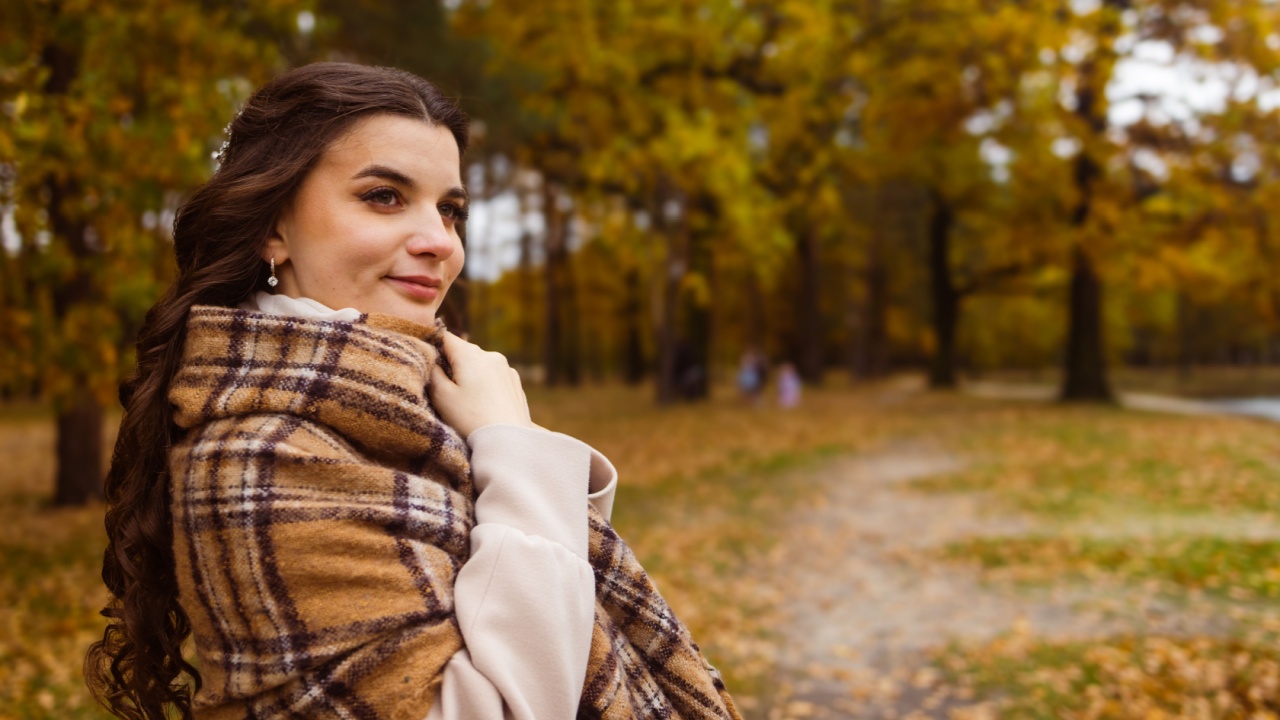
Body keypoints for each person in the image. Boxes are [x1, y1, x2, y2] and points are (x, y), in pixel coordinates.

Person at [85, 62, 739, 720]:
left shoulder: (409, 413)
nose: (439, 243)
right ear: (272, 230)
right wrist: (514, 450)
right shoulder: (260, 454)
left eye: (450, 209)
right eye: (385, 197)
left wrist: (503, 452)